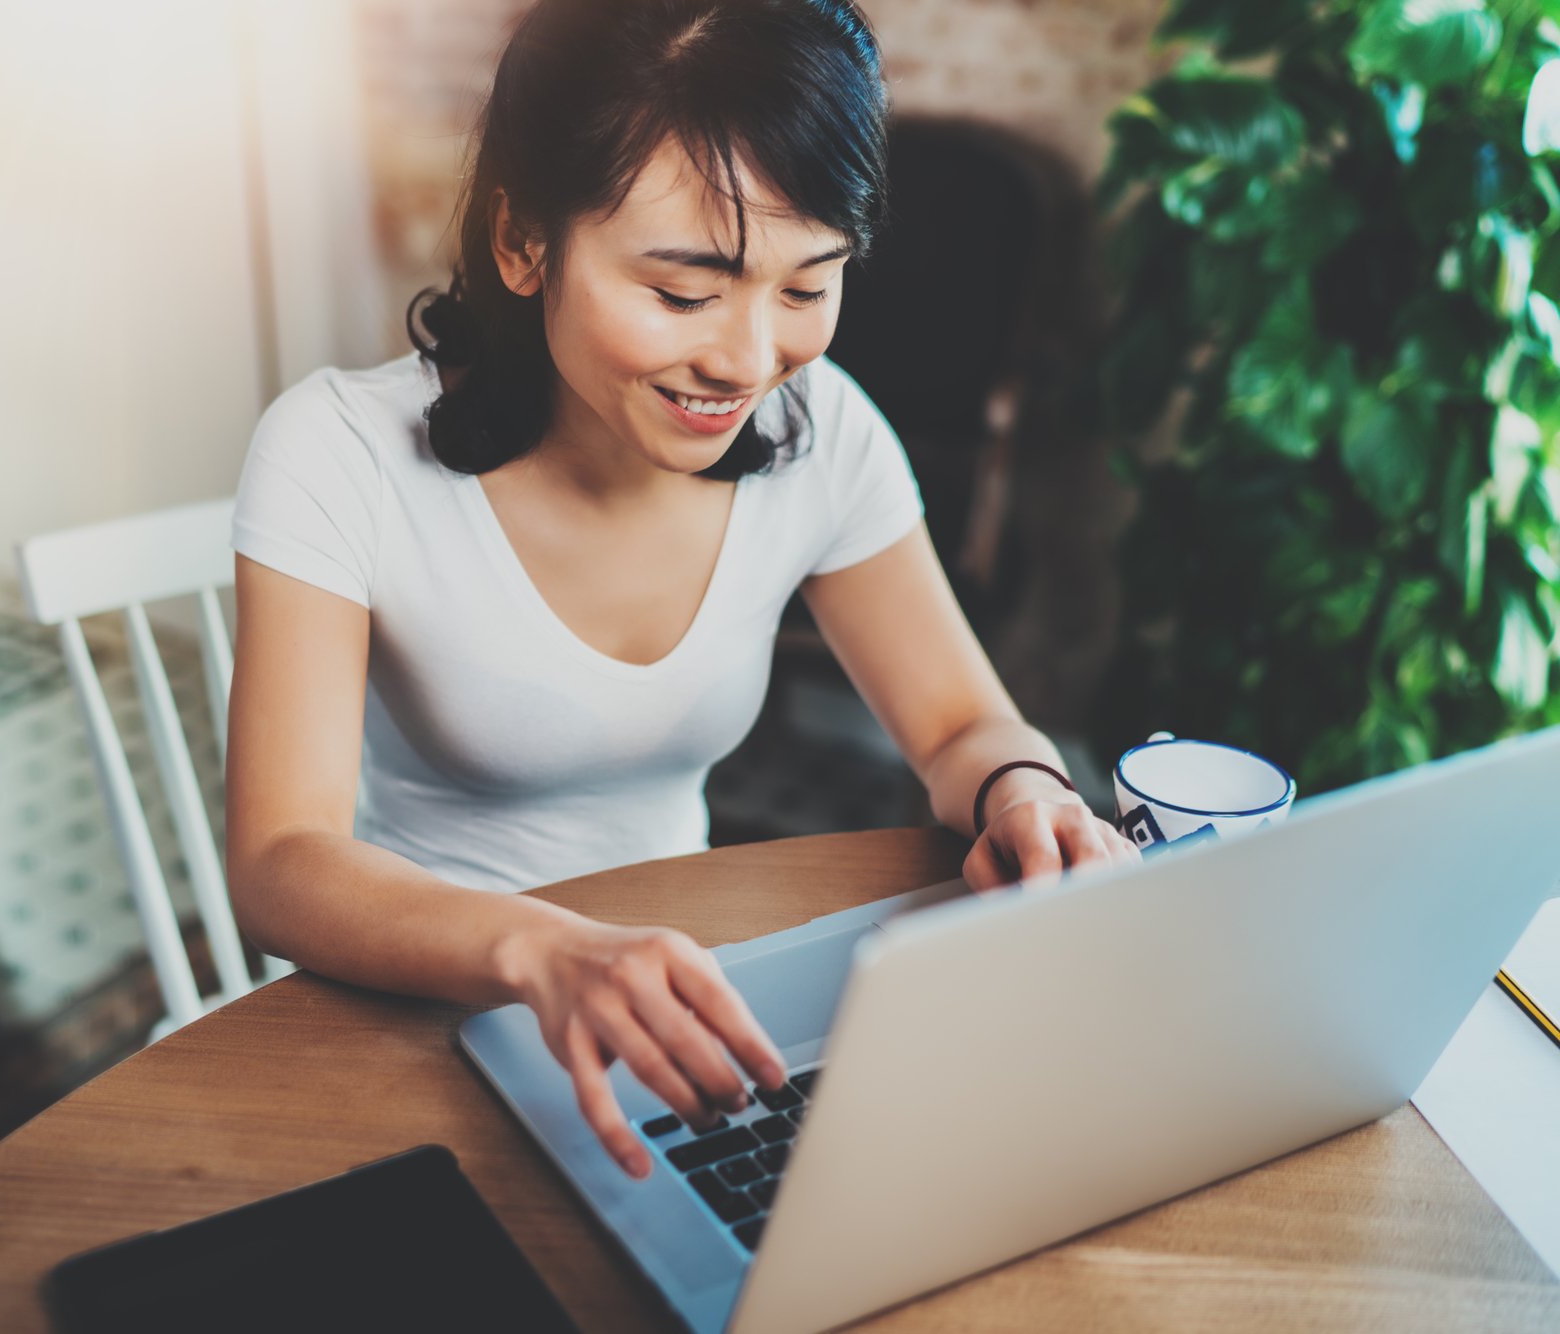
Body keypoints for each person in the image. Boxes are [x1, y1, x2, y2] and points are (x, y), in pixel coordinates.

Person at [224, 0, 1138, 1182]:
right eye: (683, 291)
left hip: (667, 1004)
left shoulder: (820, 434)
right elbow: (280, 858)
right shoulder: (333, 452)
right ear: (523, 242)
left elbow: (961, 724)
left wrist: (1025, 790)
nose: (747, 361)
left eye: (806, 287)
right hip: (406, 1013)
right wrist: (545, 951)